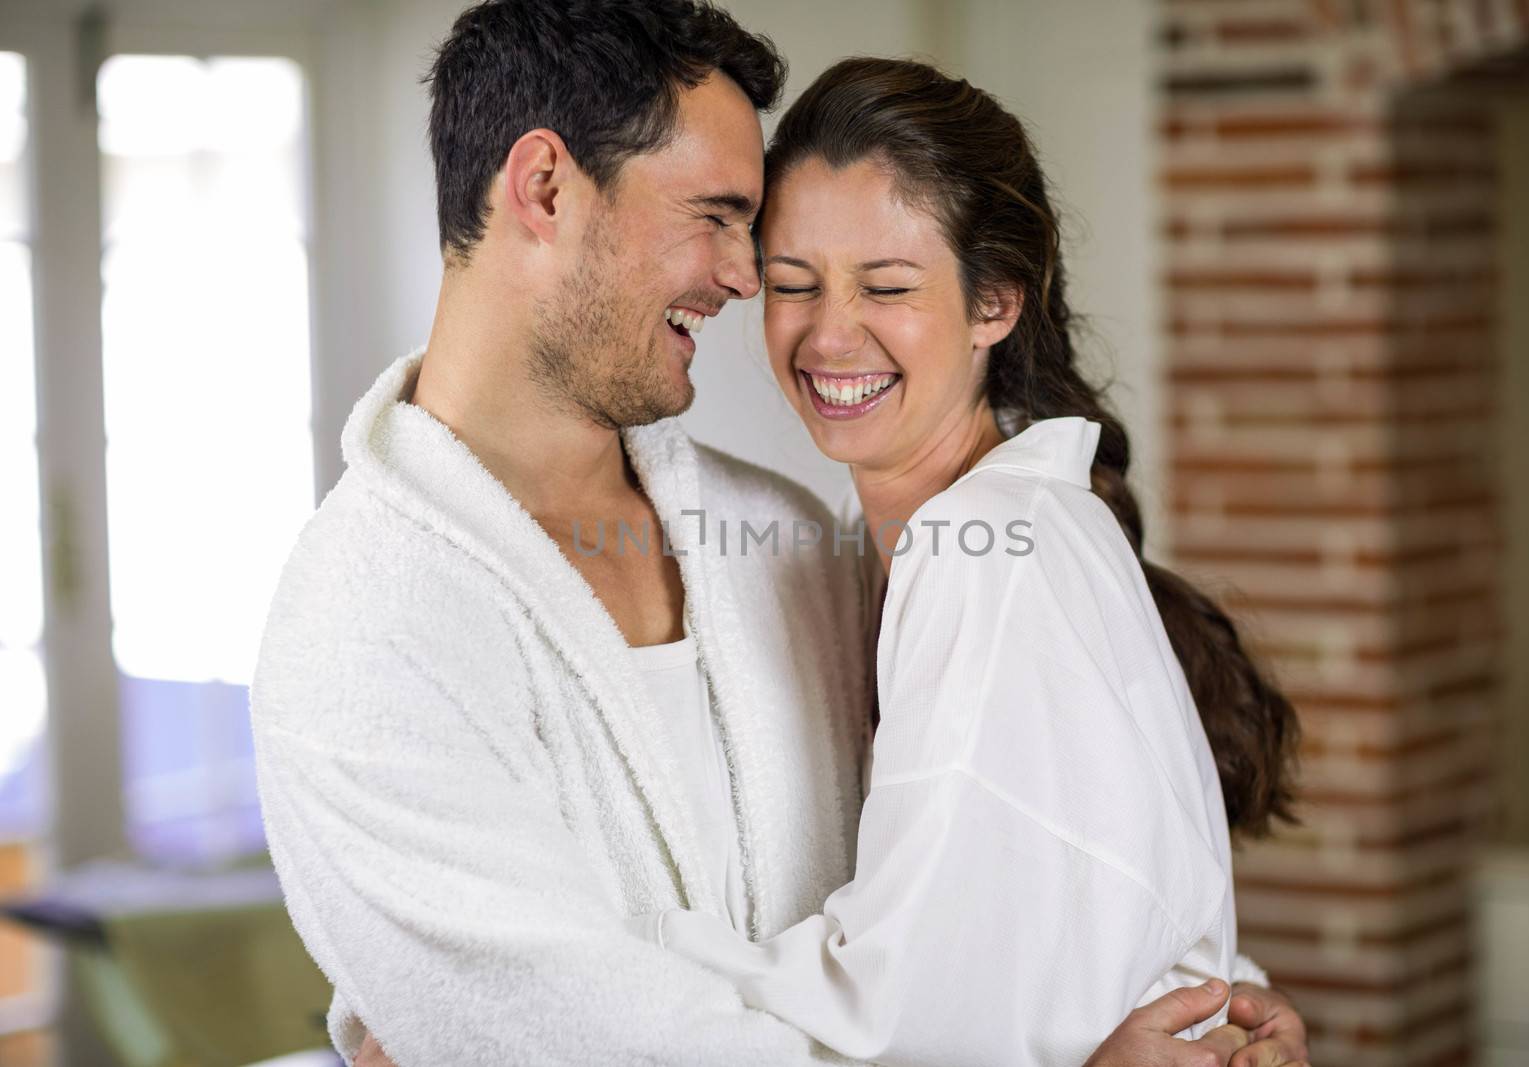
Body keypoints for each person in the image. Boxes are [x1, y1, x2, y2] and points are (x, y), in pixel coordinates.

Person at [249, 2, 1307, 1064]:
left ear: (995, 305)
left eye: (751, 232)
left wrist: (1201, 993)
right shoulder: (357, 625)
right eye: (716, 217)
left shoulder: (791, 542)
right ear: (543, 188)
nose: (747, 278)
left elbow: (1013, 900)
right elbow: (560, 1034)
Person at [627, 57, 1304, 1067]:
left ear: (994, 304)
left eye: (887, 287)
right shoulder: (959, 538)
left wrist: (522, 985)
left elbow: (900, 1010)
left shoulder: (981, 552)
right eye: (793, 283)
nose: (828, 334)